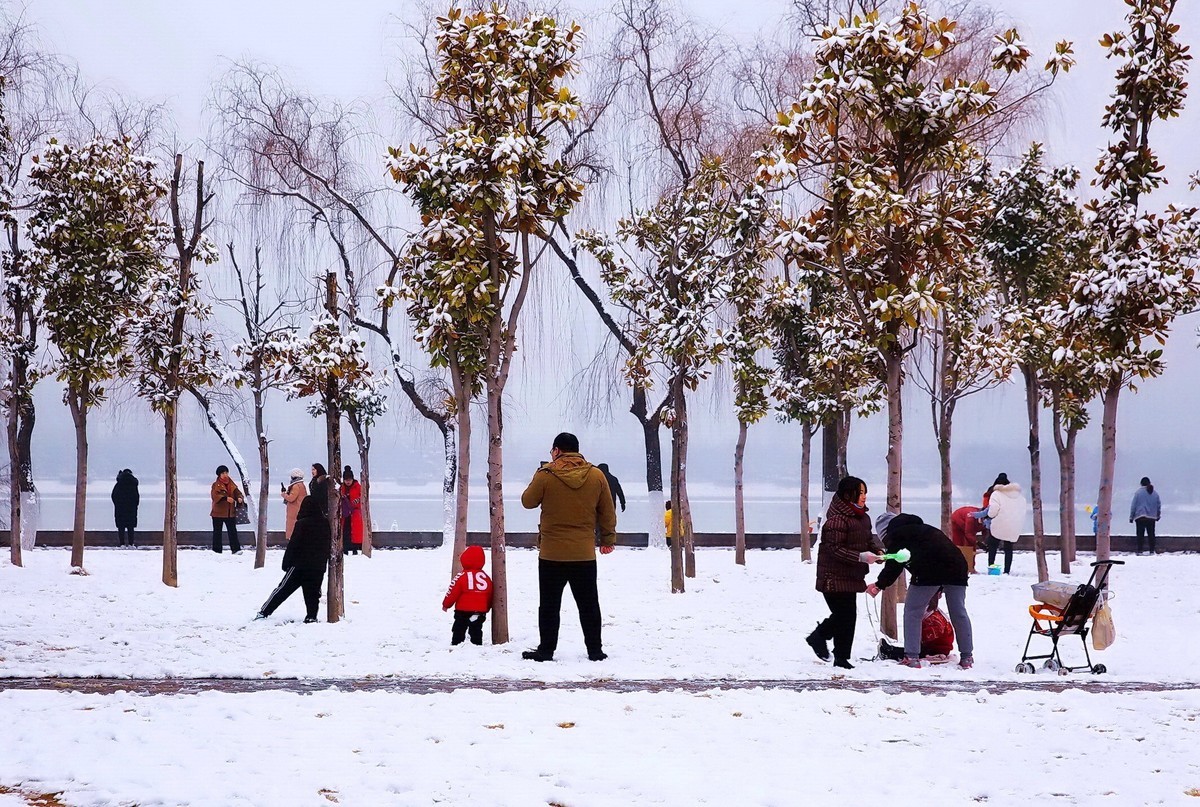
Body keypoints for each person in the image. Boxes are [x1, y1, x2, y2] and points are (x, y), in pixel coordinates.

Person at [520, 432, 617, 662]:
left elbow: (527, 501)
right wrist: (608, 540)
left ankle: (546, 650)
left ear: (556, 450)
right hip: (583, 554)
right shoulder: (596, 475)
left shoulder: (546, 475)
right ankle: (595, 650)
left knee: (549, 605)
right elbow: (608, 511)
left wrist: (540, 473)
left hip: (551, 554)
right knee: (589, 604)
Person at [868, 512, 974, 670]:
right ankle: (967, 657)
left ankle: (911, 657)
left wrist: (878, 585)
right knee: (958, 611)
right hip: (957, 566)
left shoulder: (897, 536)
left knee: (912, 611)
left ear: (885, 533)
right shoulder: (923, 529)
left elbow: (894, 566)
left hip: (929, 572)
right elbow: (937, 551)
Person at [806, 476, 881, 670]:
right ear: (848, 494)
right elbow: (834, 549)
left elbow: (867, 541)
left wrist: (877, 552)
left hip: (851, 576)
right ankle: (820, 638)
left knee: (847, 616)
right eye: (860, 492)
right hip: (832, 576)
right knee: (844, 615)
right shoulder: (837, 520)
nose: (864, 497)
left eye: (865, 492)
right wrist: (861, 557)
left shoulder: (863, 517)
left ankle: (840, 656)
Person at [255, 496, 330, 623]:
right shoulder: (325, 523)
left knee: (282, 590)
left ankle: (264, 612)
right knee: (312, 594)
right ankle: (311, 617)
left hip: (299, 566)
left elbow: (293, 545)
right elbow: (327, 545)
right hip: (317, 567)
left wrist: (286, 563)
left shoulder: (302, 523)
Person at [442, 545, 494, 645]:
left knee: (459, 628)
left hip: (462, 610)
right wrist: (487, 607)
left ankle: (456, 644)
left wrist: (446, 604)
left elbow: (452, 591)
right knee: (476, 629)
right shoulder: (486, 577)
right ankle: (477, 644)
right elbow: (490, 594)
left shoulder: (461, 576)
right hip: (480, 610)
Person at [986, 473, 1027, 574]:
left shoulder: (996, 494)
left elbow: (993, 511)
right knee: (1008, 548)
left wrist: (990, 516)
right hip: (1013, 525)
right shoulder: (1020, 496)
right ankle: (1007, 570)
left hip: (998, 524)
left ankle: (992, 568)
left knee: (993, 546)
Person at [210, 465, 244, 554]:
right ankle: (217, 551)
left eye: (226, 473)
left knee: (232, 532)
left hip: (230, 513)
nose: (225, 475)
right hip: (218, 513)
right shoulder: (215, 485)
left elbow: (238, 493)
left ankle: (236, 549)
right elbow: (215, 496)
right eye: (223, 473)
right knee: (217, 533)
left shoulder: (232, 484)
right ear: (219, 475)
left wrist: (240, 498)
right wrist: (225, 498)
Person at [1130, 476, 1162, 555]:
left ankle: (1140, 550)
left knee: (1140, 534)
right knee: (1151, 534)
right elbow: (1158, 505)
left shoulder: (1138, 493)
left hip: (1140, 517)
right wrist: (1158, 515)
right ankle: (1152, 550)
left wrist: (1131, 516)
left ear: (1141, 483)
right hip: (1152, 517)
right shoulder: (1155, 493)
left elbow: (1133, 505)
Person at [949, 505, 985, 573]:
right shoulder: (971, 517)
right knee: (959, 545)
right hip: (957, 523)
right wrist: (977, 542)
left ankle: (970, 567)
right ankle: (957, 567)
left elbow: (985, 532)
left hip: (971, 526)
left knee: (971, 546)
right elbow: (968, 534)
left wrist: (985, 542)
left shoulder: (987, 521)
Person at [111, 469, 140, 547]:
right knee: (131, 527)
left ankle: (122, 543)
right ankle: (131, 543)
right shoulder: (133, 484)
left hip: (120, 509)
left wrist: (117, 504)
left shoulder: (118, 484)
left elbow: (114, 496)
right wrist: (135, 505)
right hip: (131, 509)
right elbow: (136, 497)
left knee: (121, 527)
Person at [340, 466, 364, 555]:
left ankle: (355, 548)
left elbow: (362, 498)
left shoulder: (358, 487)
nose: (348, 481)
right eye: (346, 479)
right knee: (345, 531)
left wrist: (356, 502)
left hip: (355, 512)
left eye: (349, 479)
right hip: (345, 514)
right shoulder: (341, 488)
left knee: (354, 532)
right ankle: (345, 548)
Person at [281, 468, 307, 540]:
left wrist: (284, 495)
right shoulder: (301, 485)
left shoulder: (296, 486)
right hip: (299, 509)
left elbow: (291, 498)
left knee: (292, 527)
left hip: (294, 510)